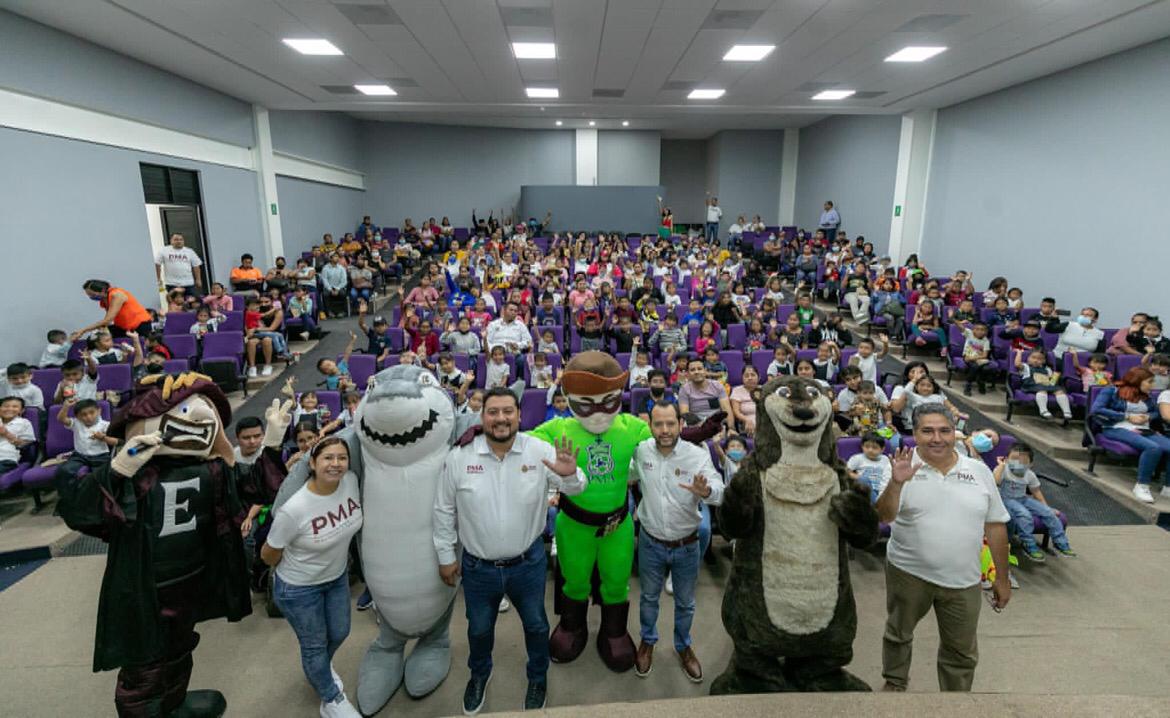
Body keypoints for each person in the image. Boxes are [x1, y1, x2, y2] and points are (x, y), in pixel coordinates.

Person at [434, 389, 586, 714]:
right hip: (478, 568)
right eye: (493, 412)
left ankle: (538, 677)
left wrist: (570, 475)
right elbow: (444, 509)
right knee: (478, 629)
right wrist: (446, 556)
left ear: (519, 415)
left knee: (536, 626)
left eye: (507, 411)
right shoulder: (459, 456)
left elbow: (577, 487)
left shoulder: (538, 450)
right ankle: (479, 674)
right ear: (482, 416)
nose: (500, 418)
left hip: (527, 564)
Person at [877, 404, 1011, 692]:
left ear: (955, 433)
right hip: (908, 572)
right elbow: (884, 517)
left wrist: (1002, 577)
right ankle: (895, 682)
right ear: (915, 433)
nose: (937, 438)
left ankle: (955, 700)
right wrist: (897, 484)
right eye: (927, 431)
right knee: (899, 633)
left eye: (944, 431)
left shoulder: (979, 471)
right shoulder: (900, 466)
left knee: (961, 650)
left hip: (964, 578)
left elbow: (996, 525)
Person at [262, 437, 363, 718]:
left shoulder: (351, 481)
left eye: (342, 458)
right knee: (314, 645)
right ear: (312, 463)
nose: (336, 464)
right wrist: (299, 566)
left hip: (336, 577)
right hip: (299, 588)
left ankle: (320, 669)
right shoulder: (295, 508)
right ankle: (331, 699)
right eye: (328, 458)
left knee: (340, 632)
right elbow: (268, 554)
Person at [630, 402, 723, 682]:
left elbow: (720, 491)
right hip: (650, 543)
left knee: (685, 602)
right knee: (648, 598)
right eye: (658, 424)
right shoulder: (642, 450)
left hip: (687, 545)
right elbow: (627, 473)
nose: (665, 430)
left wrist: (706, 491)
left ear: (681, 424)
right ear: (650, 426)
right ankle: (648, 640)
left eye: (671, 423)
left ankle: (683, 646)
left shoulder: (696, 455)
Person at [1090, 367, 1170, 503]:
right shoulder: (1112, 391)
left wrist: (1148, 417)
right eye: (1149, 382)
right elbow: (1097, 409)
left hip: (1142, 428)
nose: (1152, 386)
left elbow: (1156, 413)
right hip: (1116, 427)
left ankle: (1168, 487)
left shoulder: (1147, 396)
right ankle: (1141, 485)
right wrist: (1127, 416)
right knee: (1153, 448)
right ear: (1137, 380)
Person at [993, 443, 1075, 561]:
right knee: (1024, 514)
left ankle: (1060, 542)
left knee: (1048, 513)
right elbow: (995, 482)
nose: (1018, 464)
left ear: (1030, 464)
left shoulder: (1029, 475)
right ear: (1006, 459)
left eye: (1023, 461)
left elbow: (1036, 492)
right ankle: (1028, 544)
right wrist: (1001, 466)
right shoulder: (1003, 470)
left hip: (1023, 498)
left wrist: (1046, 507)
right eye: (1014, 459)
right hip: (1007, 499)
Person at [72, 280, 154, 341]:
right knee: (96, 337)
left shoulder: (116, 295)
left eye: (92, 294)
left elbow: (107, 320)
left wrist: (83, 331)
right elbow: (106, 320)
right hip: (123, 327)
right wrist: (99, 330)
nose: (91, 297)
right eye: (89, 295)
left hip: (140, 326)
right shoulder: (104, 299)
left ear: (102, 290)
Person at [678, 358, 733, 434]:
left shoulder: (717, 386)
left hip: (717, 424)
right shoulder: (684, 390)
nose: (696, 372)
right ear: (688, 374)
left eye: (700, 369)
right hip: (696, 426)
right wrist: (702, 426)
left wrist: (731, 429)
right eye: (692, 370)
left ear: (705, 371)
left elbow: (726, 409)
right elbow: (685, 413)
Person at [846, 432, 892, 503]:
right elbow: (845, 471)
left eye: (874, 447)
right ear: (862, 446)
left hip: (881, 489)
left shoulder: (885, 459)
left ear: (882, 449)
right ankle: (877, 504)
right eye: (867, 447)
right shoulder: (858, 458)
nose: (870, 450)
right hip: (864, 490)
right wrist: (858, 477)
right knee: (864, 480)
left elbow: (889, 474)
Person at [0, 396, 35, 475]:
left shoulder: (24, 423)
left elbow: (26, 444)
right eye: (6, 406)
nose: (9, 409)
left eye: (15, 407)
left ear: (21, 410)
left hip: (5, 458)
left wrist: (6, 434)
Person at [728, 366, 759, 436]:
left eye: (753, 375)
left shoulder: (764, 389)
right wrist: (746, 419)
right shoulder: (737, 390)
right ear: (742, 378)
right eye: (746, 376)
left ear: (758, 377)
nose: (750, 378)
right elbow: (736, 412)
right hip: (745, 421)